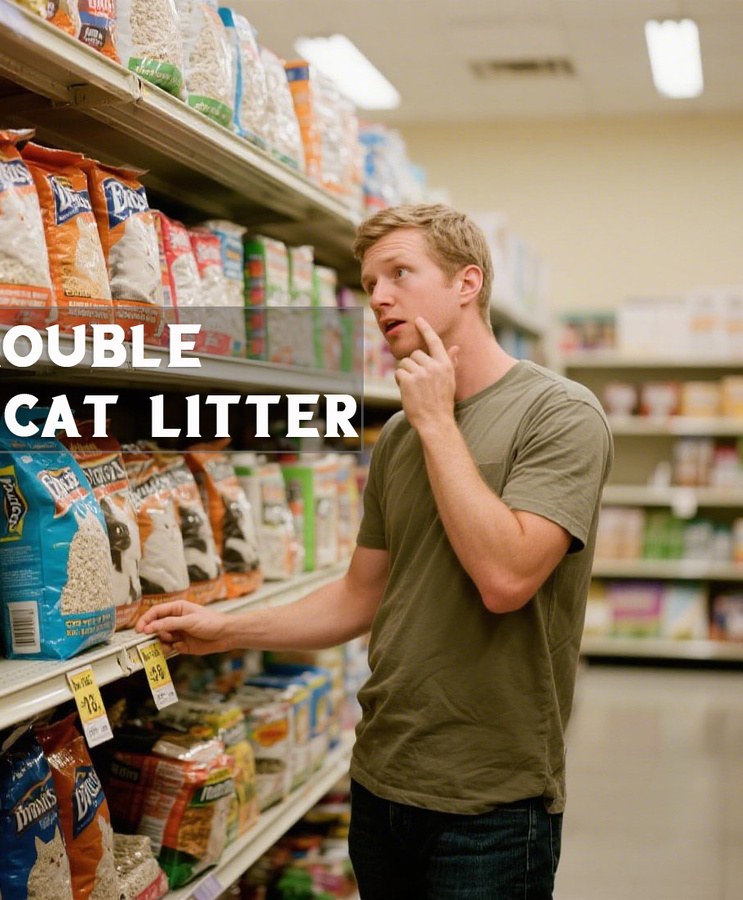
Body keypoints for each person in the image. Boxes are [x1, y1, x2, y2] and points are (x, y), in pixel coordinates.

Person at [136, 204, 613, 899]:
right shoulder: (397, 438)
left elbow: (506, 578)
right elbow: (359, 596)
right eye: (369, 284)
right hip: (382, 782)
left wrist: (436, 422)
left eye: (400, 274)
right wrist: (224, 629)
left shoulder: (560, 414)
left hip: (492, 804)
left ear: (467, 283)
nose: (380, 298)